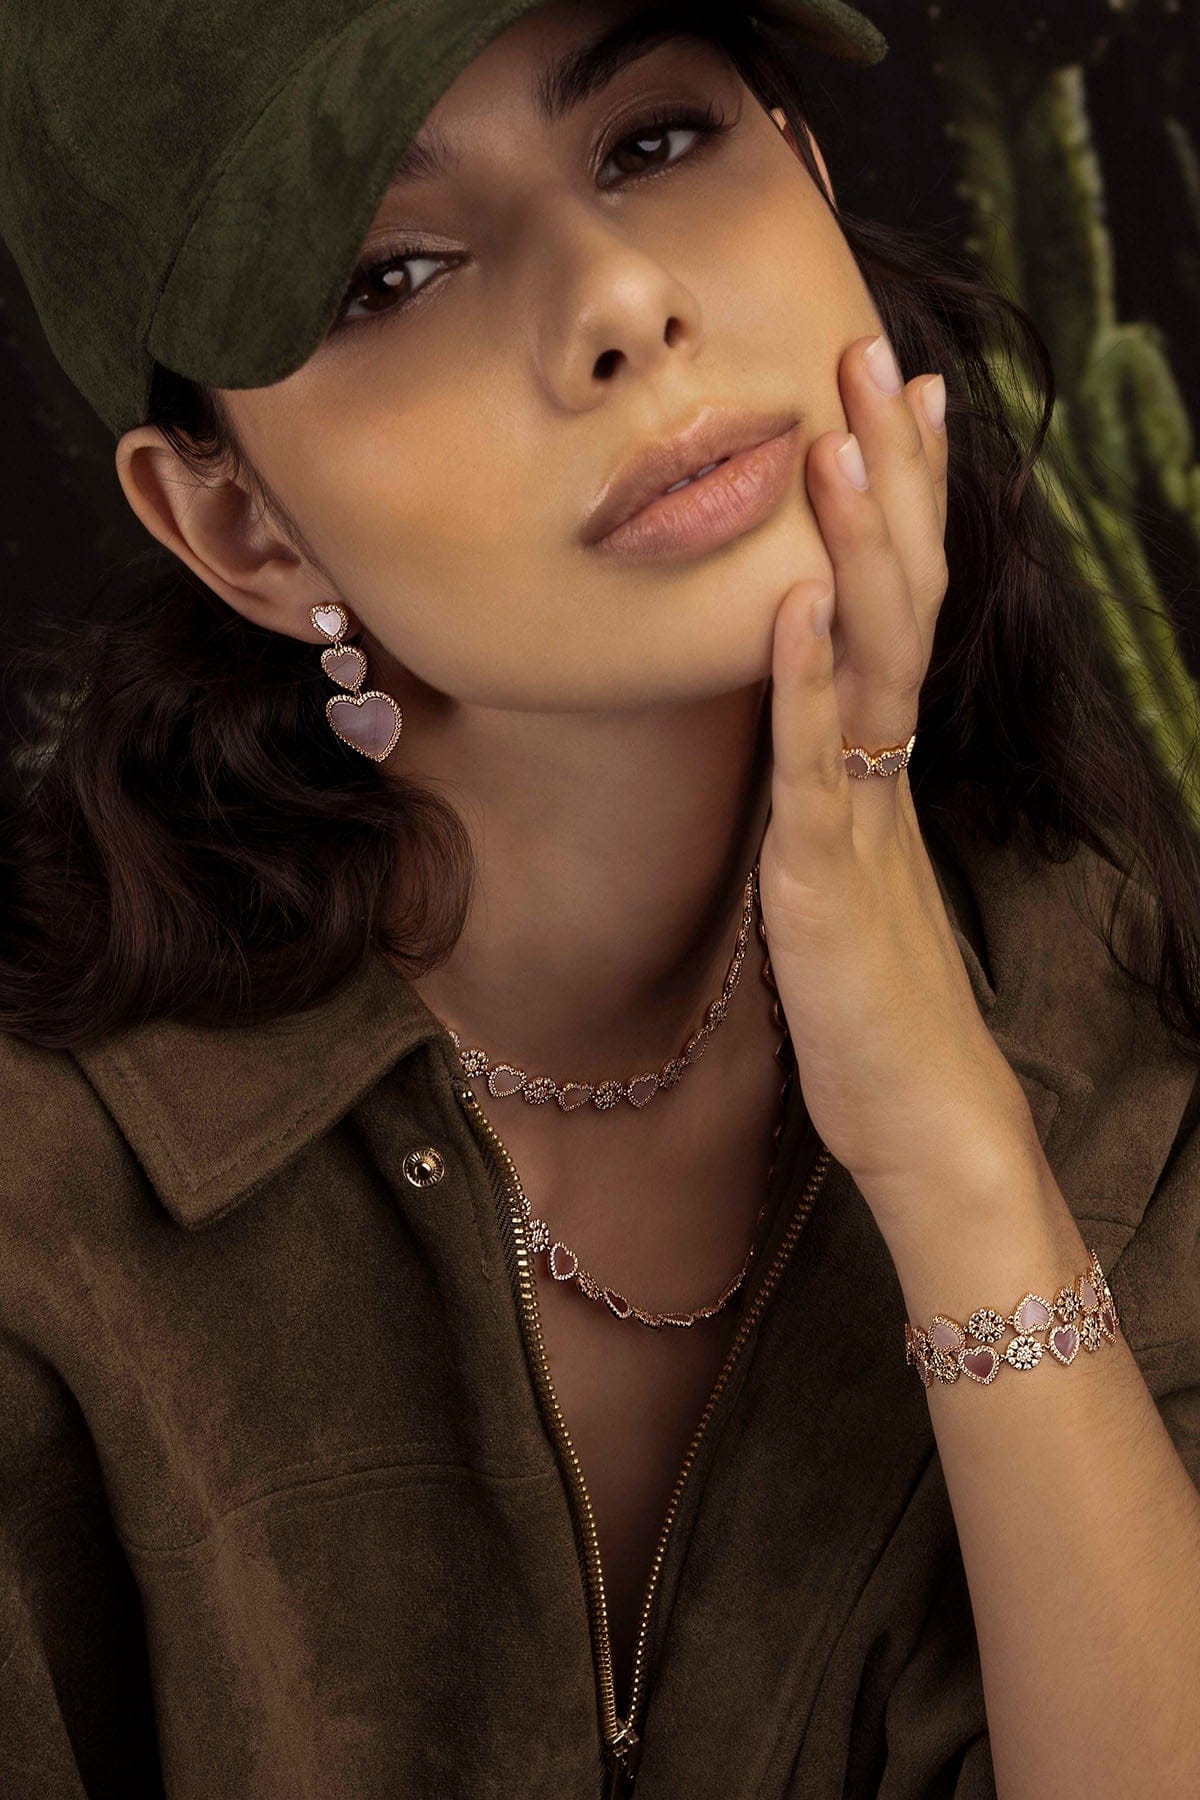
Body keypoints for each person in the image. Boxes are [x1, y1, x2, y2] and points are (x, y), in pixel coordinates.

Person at [1, 0, 1199, 1794]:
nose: (621, 302)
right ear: (240, 530)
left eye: (653, 143)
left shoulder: (1112, 986)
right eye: (389, 275)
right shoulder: (48, 1201)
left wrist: (957, 1152)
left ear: (805, 166)